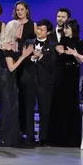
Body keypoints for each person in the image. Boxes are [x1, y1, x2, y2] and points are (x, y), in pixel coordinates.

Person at [48, 18, 83, 147]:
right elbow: (57, 57)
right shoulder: (61, 42)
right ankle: (56, 138)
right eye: (64, 28)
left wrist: (68, 52)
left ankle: (71, 139)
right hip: (60, 74)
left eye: (67, 28)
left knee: (70, 104)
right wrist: (62, 52)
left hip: (71, 76)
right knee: (58, 104)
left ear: (73, 29)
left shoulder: (80, 42)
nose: (65, 30)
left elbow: (80, 59)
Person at [19, 19, 56, 147]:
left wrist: (40, 57)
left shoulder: (52, 45)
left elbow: (52, 64)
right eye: (38, 29)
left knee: (44, 111)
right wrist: (31, 58)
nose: (39, 31)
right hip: (29, 80)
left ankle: (43, 138)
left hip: (44, 83)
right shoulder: (28, 43)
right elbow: (21, 60)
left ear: (48, 31)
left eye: (42, 29)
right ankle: (30, 136)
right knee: (28, 109)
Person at [0, 20, 31, 148]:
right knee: (7, 108)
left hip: (12, 79)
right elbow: (11, 67)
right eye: (19, 29)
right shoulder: (6, 45)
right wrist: (23, 56)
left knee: (14, 108)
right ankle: (5, 139)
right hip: (5, 79)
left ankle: (13, 137)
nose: (20, 32)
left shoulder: (15, 44)